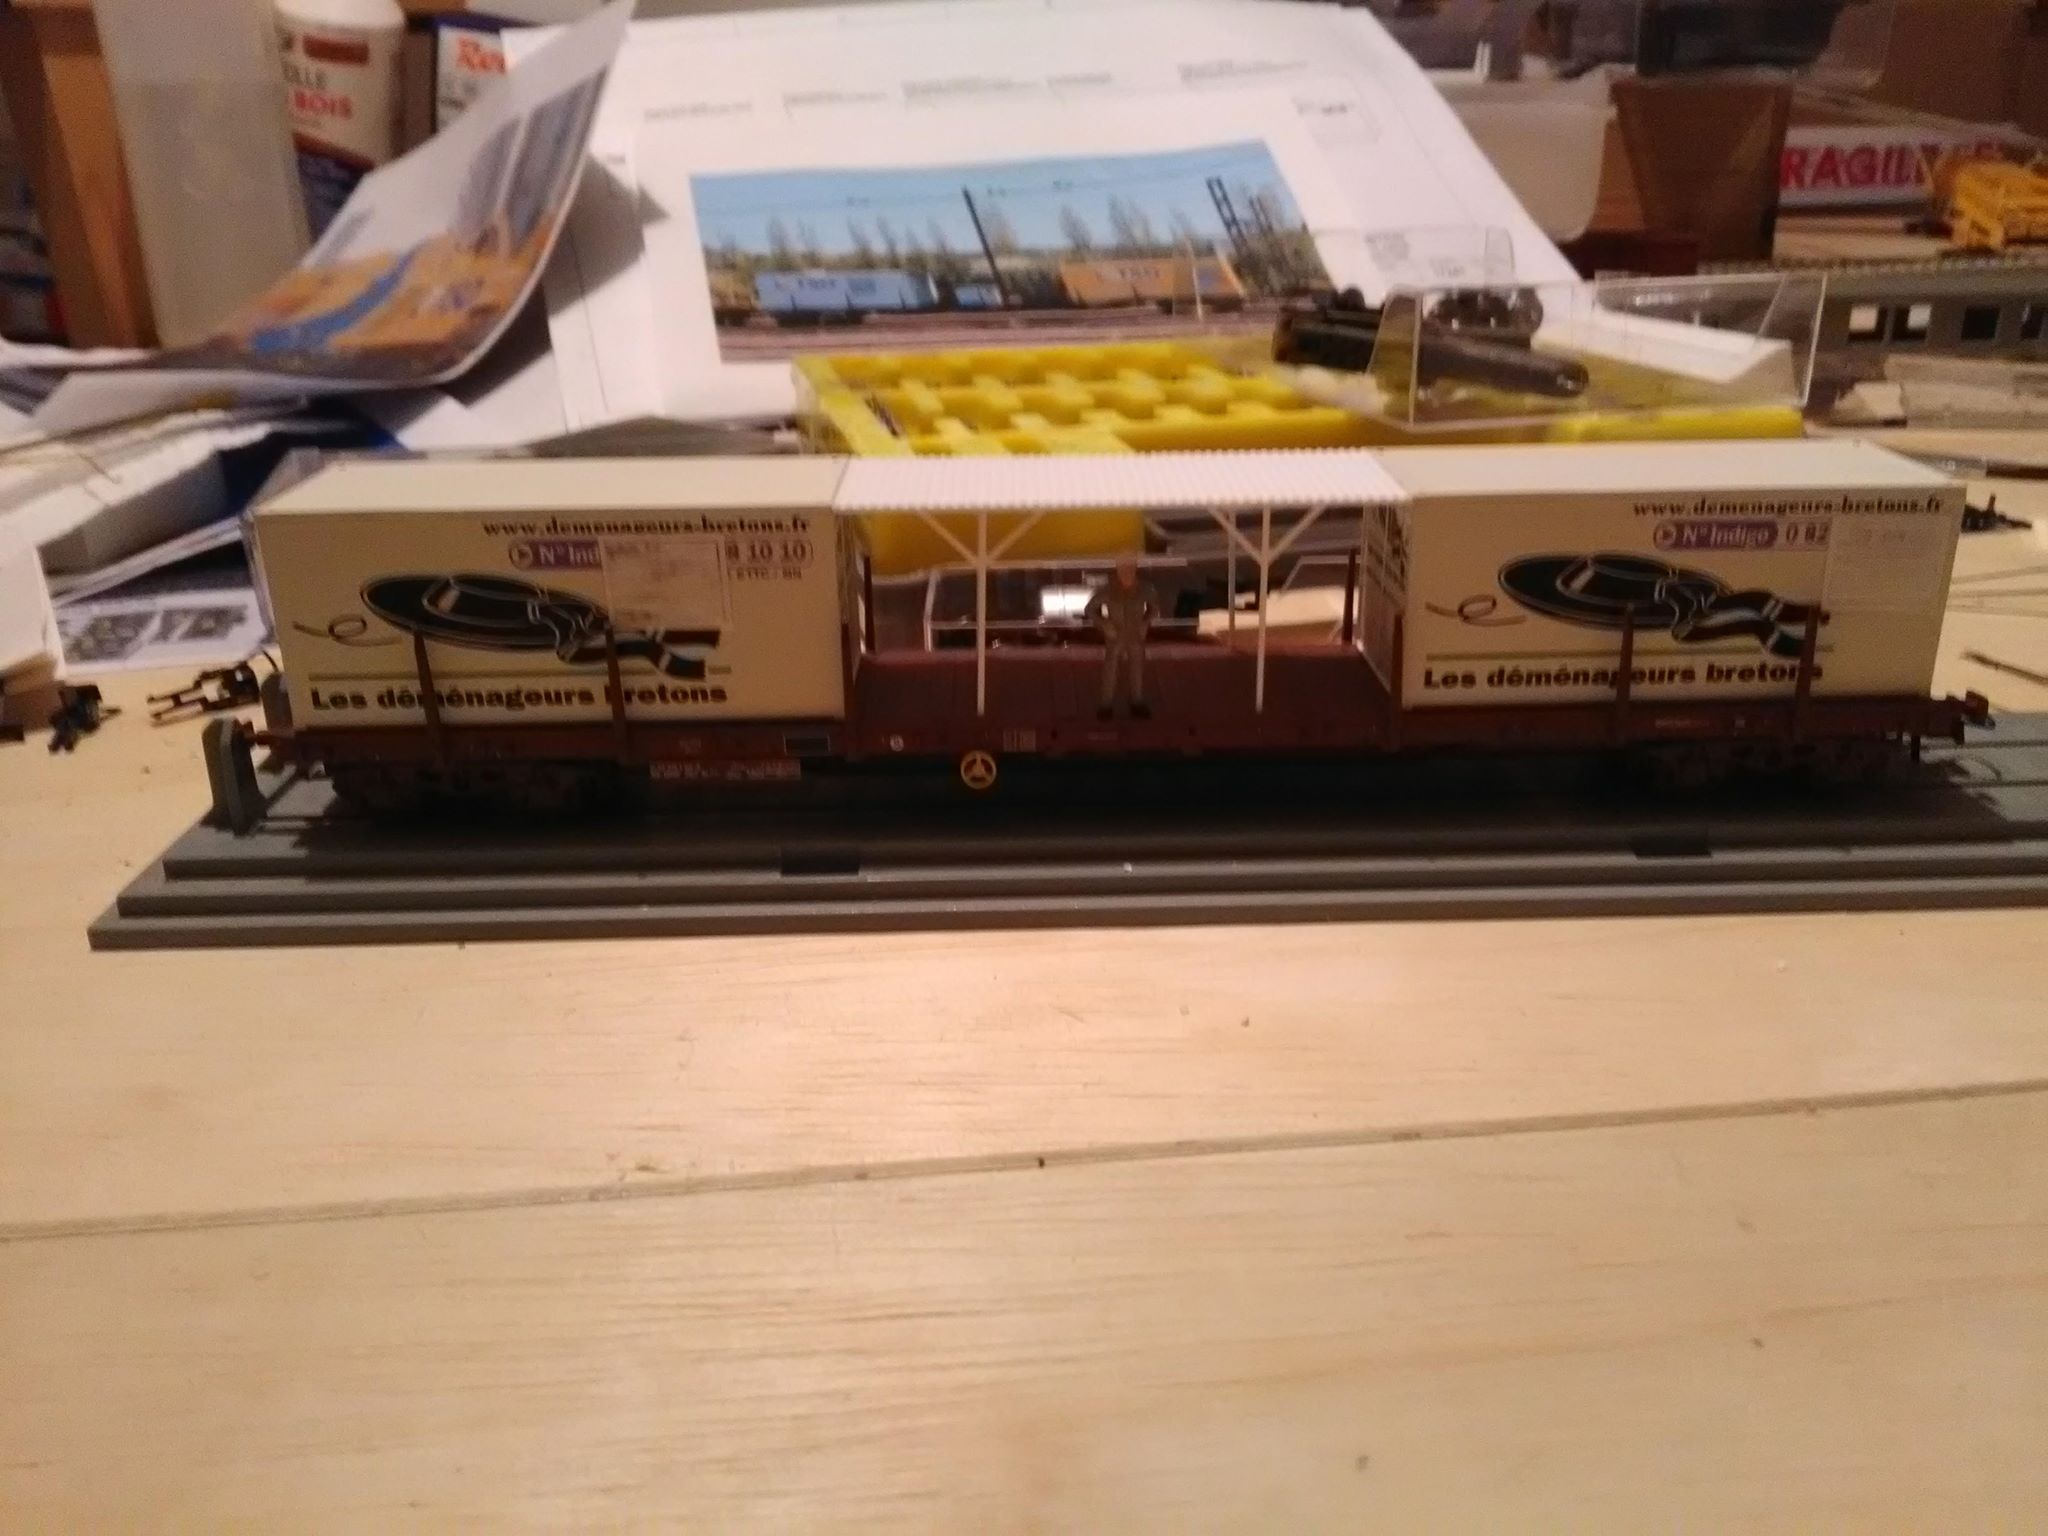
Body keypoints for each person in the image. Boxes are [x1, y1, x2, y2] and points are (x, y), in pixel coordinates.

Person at [1083, 555, 1158, 719]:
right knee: (1110, 669)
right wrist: (1104, 624)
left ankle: (1136, 701)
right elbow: (1090, 609)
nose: (1127, 572)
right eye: (1123, 569)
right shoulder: (1108, 590)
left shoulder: (1144, 589)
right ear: (1117, 570)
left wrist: (1145, 622)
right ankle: (1106, 704)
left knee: (1136, 668)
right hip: (1115, 634)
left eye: (1130, 568)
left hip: (1135, 633)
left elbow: (1154, 608)